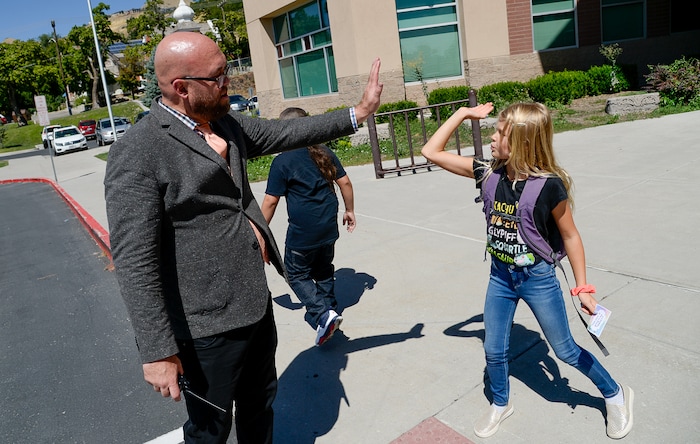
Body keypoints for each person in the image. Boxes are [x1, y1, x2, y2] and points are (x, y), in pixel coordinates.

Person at [104, 31, 382, 444]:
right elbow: (134, 260)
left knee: (260, 407)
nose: (228, 82)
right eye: (217, 77)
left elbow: (284, 134)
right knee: (210, 430)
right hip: (205, 328)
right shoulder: (139, 151)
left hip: (254, 307)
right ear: (182, 88)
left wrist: (357, 113)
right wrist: (157, 351)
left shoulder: (225, 124)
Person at [421, 102, 634, 440]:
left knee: (564, 351)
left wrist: (583, 288)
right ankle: (501, 403)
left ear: (520, 140)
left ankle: (615, 393)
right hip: (501, 278)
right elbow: (430, 151)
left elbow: (570, 235)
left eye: (499, 132)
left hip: (537, 279)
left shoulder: (550, 186)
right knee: (493, 349)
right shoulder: (488, 172)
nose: (490, 137)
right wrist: (463, 113)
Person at [261, 107, 356, 347]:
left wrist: (260, 230)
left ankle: (323, 314)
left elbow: (271, 201)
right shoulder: (324, 152)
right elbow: (344, 182)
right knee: (323, 269)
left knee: (296, 273)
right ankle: (331, 310)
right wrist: (350, 210)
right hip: (328, 227)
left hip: (303, 232)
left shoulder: (282, 161)